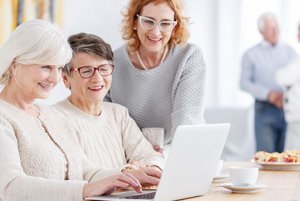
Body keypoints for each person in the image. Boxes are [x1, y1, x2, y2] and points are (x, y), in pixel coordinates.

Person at [0, 20, 142, 201]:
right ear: (14, 64)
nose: (54, 78)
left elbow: (84, 171)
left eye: (59, 68)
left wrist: (129, 176)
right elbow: (10, 188)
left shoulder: (51, 115)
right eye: (46, 67)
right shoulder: (4, 117)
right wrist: (84, 191)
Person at [54, 32, 164, 184]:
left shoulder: (118, 114)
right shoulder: (55, 118)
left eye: (104, 69)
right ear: (66, 79)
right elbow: (78, 173)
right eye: (86, 71)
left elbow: (151, 156)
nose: (98, 78)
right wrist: (128, 172)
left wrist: (151, 167)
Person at [105, 0, 206, 153]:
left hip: (178, 151)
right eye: (148, 21)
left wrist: (167, 154)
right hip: (128, 153)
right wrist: (140, 152)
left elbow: (188, 119)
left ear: (175, 26)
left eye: (165, 23)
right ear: (135, 21)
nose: (156, 31)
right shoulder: (112, 63)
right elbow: (105, 121)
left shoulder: (188, 56)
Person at [240, 13, 297, 153]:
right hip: (264, 110)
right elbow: (244, 83)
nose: (275, 30)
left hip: (287, 110)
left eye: (276, 27)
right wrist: (268, 94)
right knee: (266, 157)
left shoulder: (290, 52)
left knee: (288, 156)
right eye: (271, 28)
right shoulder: (251, 54)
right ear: (261, 31)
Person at [276, 22, 300, 150]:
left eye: (298, 32)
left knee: (292, 159)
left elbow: (281, 77)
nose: (297, 36)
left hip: (297, 118)